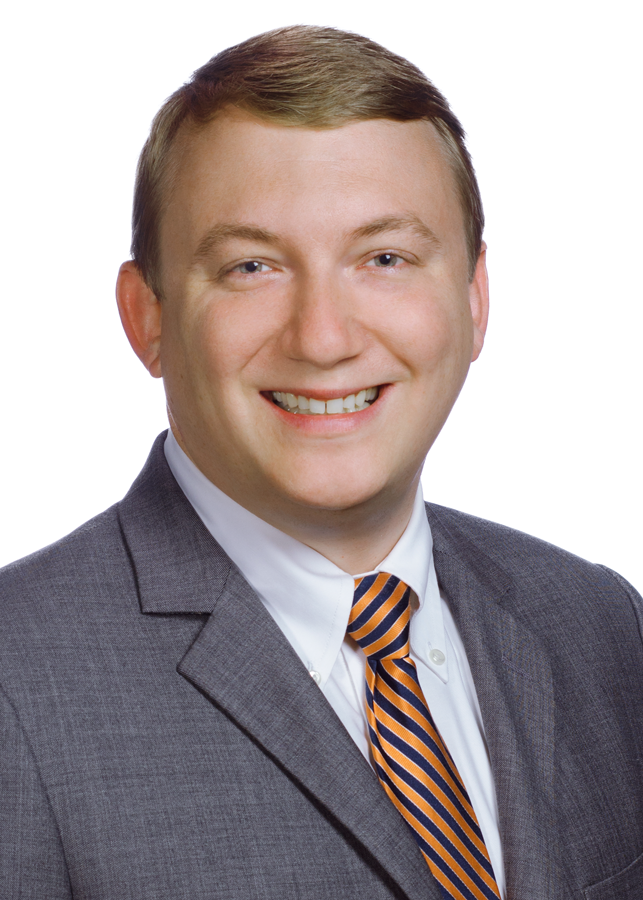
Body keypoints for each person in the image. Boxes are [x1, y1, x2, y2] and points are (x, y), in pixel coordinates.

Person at [1, 24, 642, 900]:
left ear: (473, 299)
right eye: (251, 266)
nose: (323, 338)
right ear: (146, 317)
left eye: (384, 259)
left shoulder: (599, 624)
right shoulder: (17, 680)